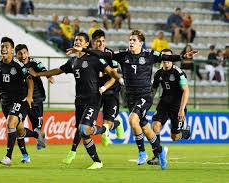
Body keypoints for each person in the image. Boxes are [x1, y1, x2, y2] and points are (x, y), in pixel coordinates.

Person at [67, 29, 198, 169]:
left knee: (132, 119)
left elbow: (168, 58)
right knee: (146, 128)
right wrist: (86, 50)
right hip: (130, 97)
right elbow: (103, 53)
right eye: (130, 40)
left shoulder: (149, 55)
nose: (131, 42)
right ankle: (160, 151)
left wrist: (184, 56)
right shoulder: (123, 55)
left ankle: (142, 152)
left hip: (145, 96)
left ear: (141, 43)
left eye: (134, 40)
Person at [29, 32, 123, 169]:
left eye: (80, 40)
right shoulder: (73, 61)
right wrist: (39, 74)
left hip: (93, 100)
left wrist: (118, 77)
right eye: (76, 39)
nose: (77, 41)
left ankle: (107, 129)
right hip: (79, 101)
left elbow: (111, 71)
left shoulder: (94, 59)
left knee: (84, 129)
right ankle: (97, 161)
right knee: (84, 133)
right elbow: (58, 70)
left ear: (86, 44)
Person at [0, 37, 45, 166]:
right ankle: (35, 137)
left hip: (20, 100)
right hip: (5, 102)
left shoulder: (18, 66)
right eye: (2, 46)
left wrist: (29, 97)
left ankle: (8, 157)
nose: (4, 48)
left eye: (7, 46)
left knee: (11, 122)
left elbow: (30, 80)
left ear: (12, 49)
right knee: (19, 130)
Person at [143, 48, 191, 165]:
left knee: (174, 137)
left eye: (169, 58)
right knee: (155, 126)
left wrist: (181, 110)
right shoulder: (158, 73)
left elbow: (186, 91)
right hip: (164, 103)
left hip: (177, 106)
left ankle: (185, 132)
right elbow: (153, 90)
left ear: (172, 59)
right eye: (164, 58)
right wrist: (147, 103)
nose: (166, 60)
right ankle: (158, 156)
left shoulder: (178, 73)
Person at [90, 29, 124, 147]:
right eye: (98, 41)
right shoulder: (89, 55)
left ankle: (116, 124)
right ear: (93, 42)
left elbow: (114, 77)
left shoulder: (110, 55)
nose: (101, 44)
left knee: (106, 123)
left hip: (111, 90)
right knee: (89, 123)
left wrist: (104, 88)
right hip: (95, 92)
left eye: (103, 41)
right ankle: (115, 124)